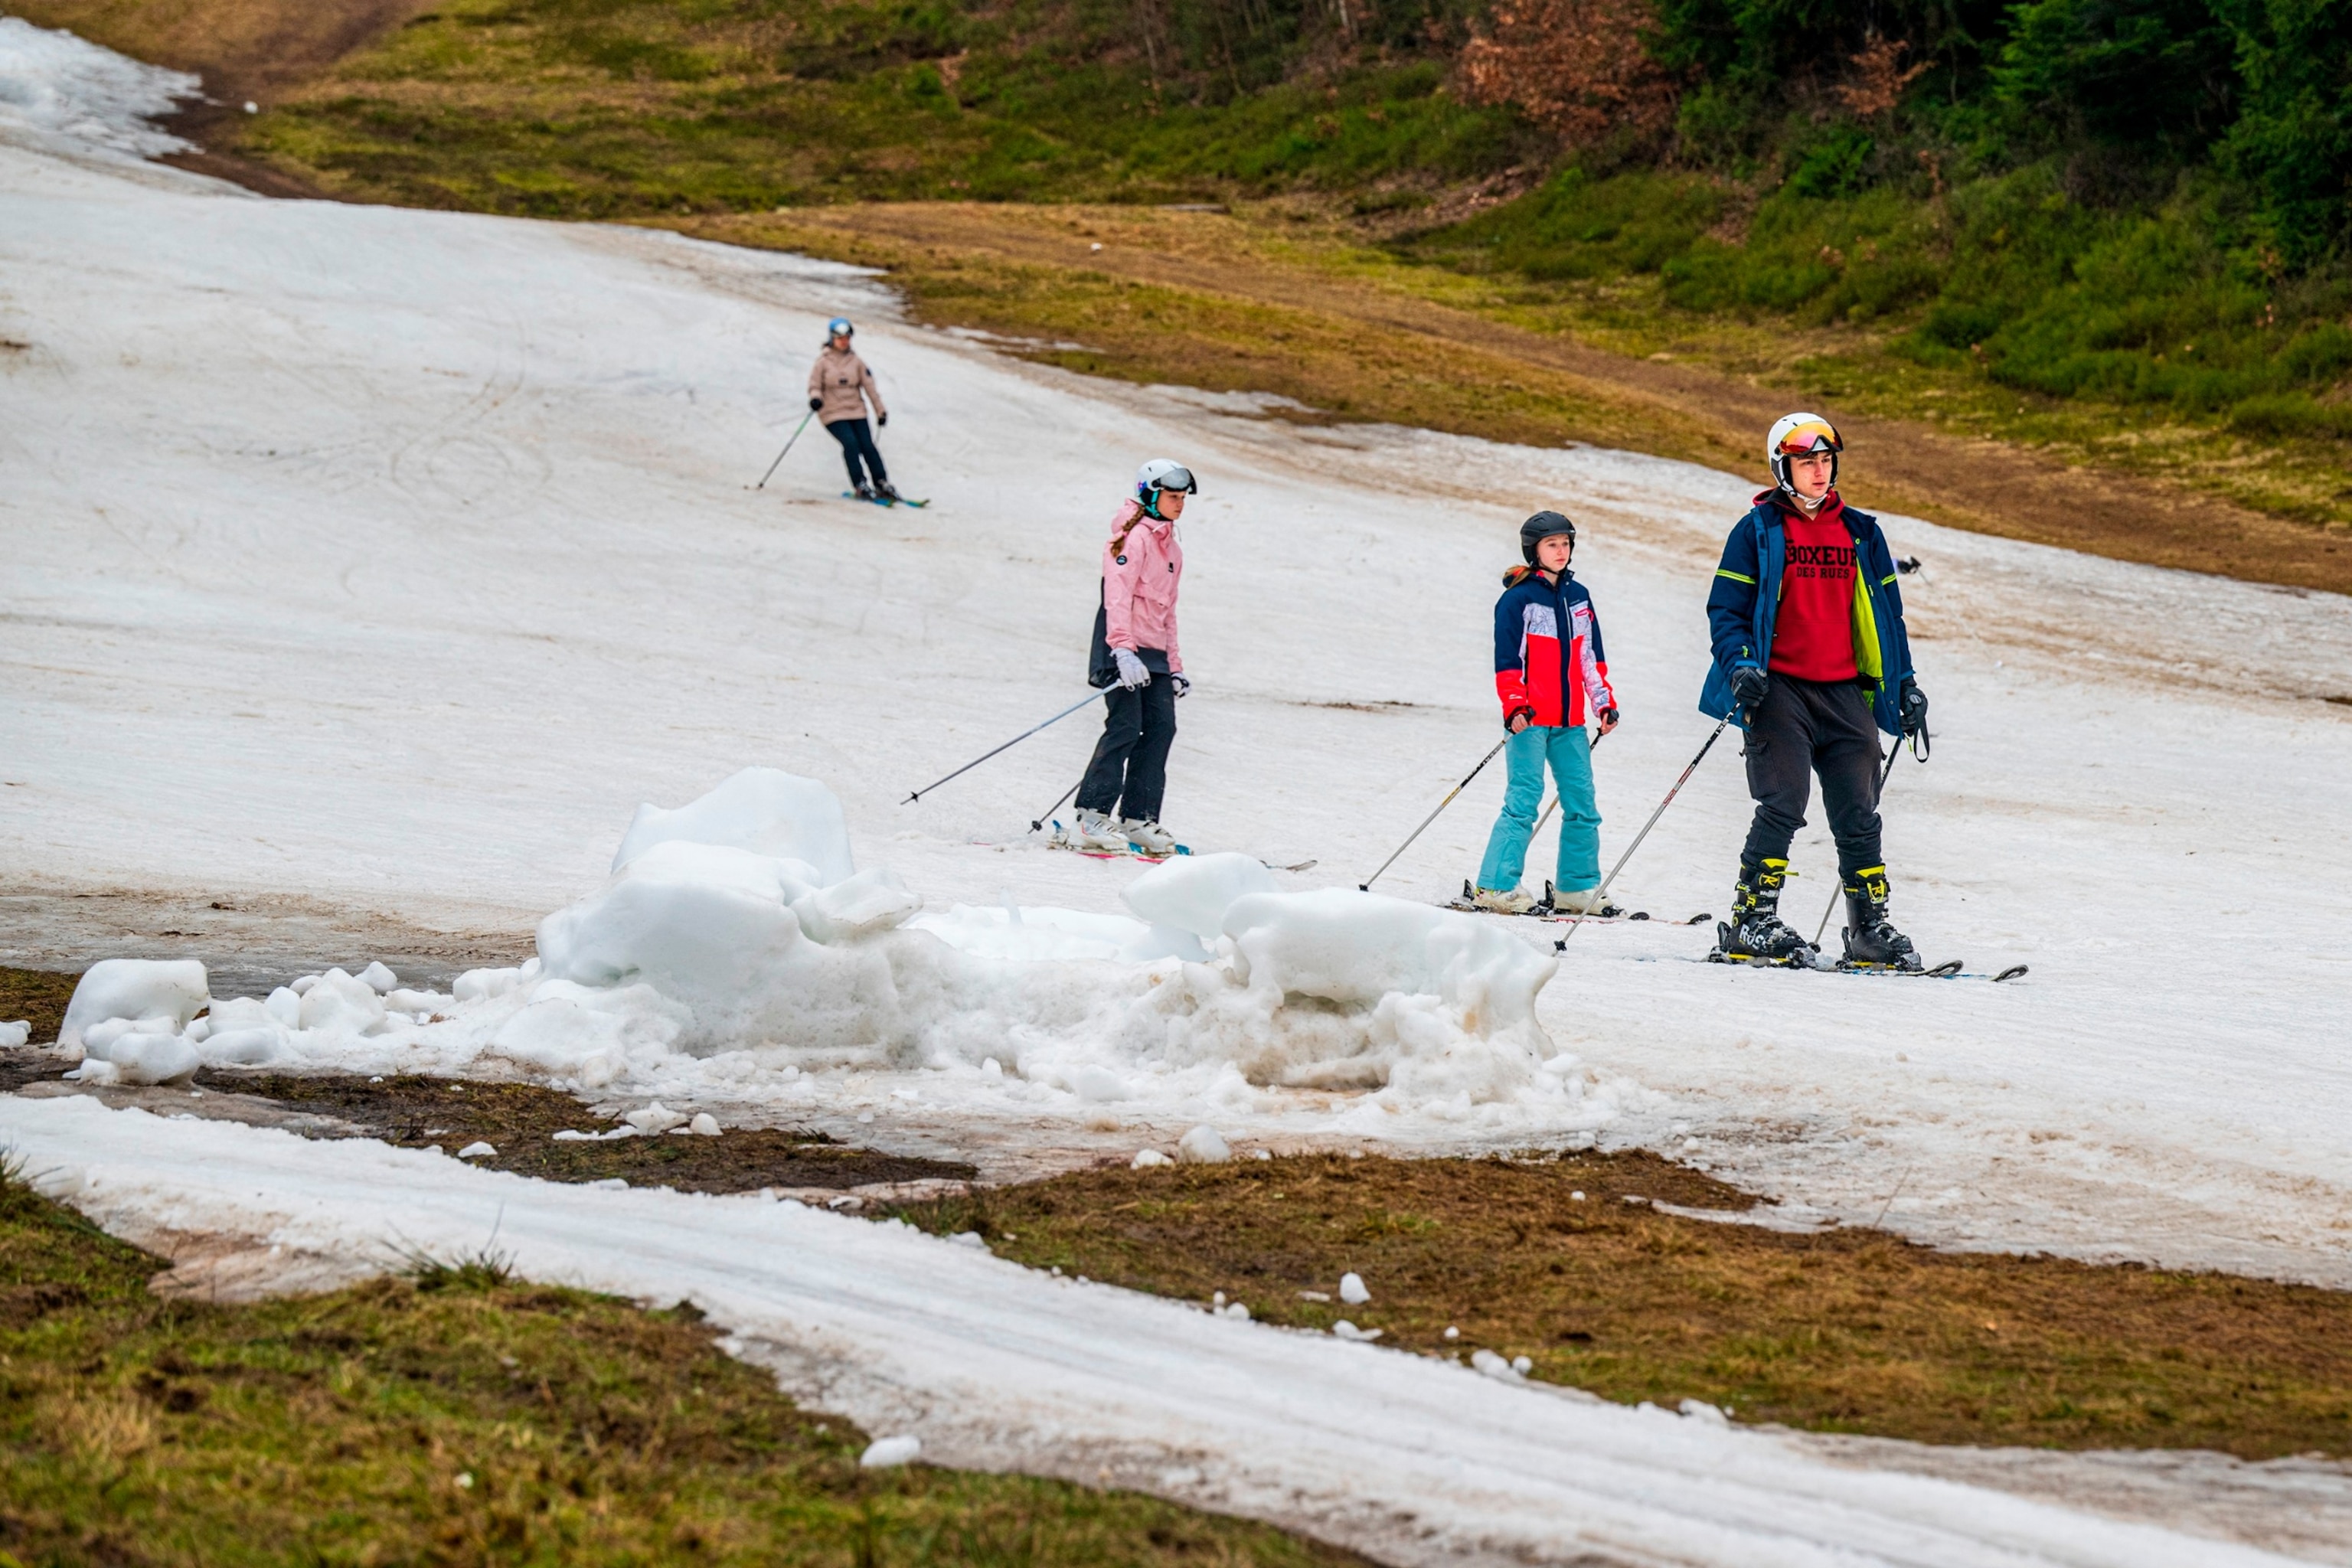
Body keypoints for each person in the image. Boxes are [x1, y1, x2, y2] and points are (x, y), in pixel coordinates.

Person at [1700, 413, 1932, 969]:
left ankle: (1869, 929)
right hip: (1778, 688)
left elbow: (1887, 617)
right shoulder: (1757, 531)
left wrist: (1906, 684)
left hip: (1846, 690)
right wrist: (1741, 666)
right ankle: (1752, 921)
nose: (1820, 471)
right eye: (1808, 462)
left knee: (1859, 811)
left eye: (1826, 461)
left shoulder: (1861, 532)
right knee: (1783, 801)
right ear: (1784, 468)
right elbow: (1726, 611)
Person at [1471, 511, 1621, 914]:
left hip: (1570, 722)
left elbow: (1591, 659)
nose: (1561, 551)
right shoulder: (1518, 599)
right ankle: (1495, 886)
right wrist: (1514, 705)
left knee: (1583, 805)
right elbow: (1508, 662)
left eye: (1566, 544)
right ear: (1534, 550)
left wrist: (1603, 702)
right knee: (1524, 801)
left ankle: (1576, 887)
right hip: (1531, 719)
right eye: (1552, 544)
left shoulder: (1579, 597)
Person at [1070, 459, 1195, 855]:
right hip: (1120, 647)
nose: (1180, 504)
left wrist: (1174, 666)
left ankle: (1138, 818)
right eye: (1172, 497)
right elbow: (1117, 598)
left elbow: (1168, 611)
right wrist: (1122, 649)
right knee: (1125, 727)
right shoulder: (1131, 539)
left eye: (1182, 498)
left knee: (1161, 729)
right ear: (1151, 495)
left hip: (1154, 654)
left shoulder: (1172, 548)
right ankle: (1092, 814)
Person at [807, 317, 897, 502]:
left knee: (868, 446)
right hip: (832, 412)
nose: (844, 341)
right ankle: (860, 484)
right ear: (832, 339)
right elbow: (814, 385)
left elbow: (870, 388)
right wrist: (816, 399)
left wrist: (881, 411)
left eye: (847, 338)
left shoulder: (856, 362)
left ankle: (881, 482)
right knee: (851, 444)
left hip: (856, 410)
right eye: (840, 338)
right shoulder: (822, 363)